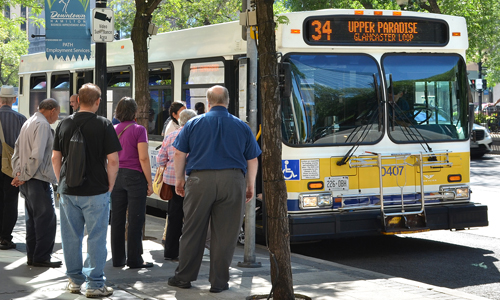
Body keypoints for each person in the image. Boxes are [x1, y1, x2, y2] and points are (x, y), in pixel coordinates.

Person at [167, 85, 261, 293]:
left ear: (208, 102)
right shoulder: (242, 126)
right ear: (227, 101)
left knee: (192, 231)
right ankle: (219, 282)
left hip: (200, 181)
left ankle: (184, 277)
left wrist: (180, 180)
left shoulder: (193, 123)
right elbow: (252, 159)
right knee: (226, 235)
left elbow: (179, 154)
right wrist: (250, 184)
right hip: (233, 180)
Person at [52, 83, 121, 297]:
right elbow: (113, 160)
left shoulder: (63, 124)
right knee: (97, 237)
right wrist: (110, 184)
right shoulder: (104, 124)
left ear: (78, 100)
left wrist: (61, 182)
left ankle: (74, 281)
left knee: (71, 237)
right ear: (98, 102)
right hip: (96, 190)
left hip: (68, 190)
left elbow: (56, 158)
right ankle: (94, 285)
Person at [11, 99, 61, 267]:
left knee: (32, 220)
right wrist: (23, 175)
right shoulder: (43, 125)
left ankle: (33, 255)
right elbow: (37, 156)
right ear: (52, 110)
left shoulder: (29, 122)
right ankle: (42, 257)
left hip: (27, 179)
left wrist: (18, 173)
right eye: (58, 113)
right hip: (37, 179)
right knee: (46, 219)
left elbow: (16, 150)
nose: (57, 117)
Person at [111, 97, 154, 269]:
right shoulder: (139, 130)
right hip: (135, 176)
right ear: (135, 112)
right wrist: (150, 182)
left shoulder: (112, 129)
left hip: (116, 176)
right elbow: (143, 157)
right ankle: (135, 259)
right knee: (136, 219)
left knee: (117, 218)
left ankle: (117, 258)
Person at [157, 109, 197, 260]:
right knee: (192, 217)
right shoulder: (197, 137)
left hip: (173, 182)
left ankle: (171, 252)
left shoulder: (170, 136)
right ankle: (189, 252)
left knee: (174, 216)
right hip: (193, 182)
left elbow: (160, 160)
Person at [0, 85, 27, 250]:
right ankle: (5, 238)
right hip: (11, 167)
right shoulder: (21, 119)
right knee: (10, 202)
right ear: (14, 100)